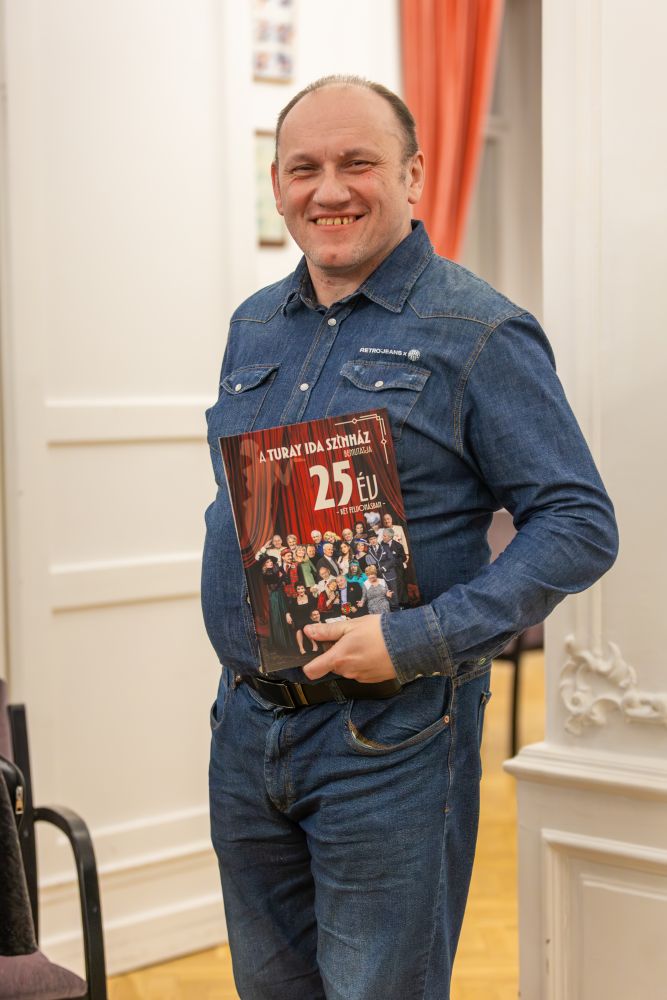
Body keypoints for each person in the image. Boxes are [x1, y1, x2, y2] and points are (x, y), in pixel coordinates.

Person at [203, 75, 618, 1000]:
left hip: (388, 742)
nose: (329, 190)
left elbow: (578, 522)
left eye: (358, 163)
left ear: (413, 174)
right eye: (304, 168)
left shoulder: (477, 330)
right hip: (246, 730)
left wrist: (414, 638)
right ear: (276, 184)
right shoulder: (255, 324)